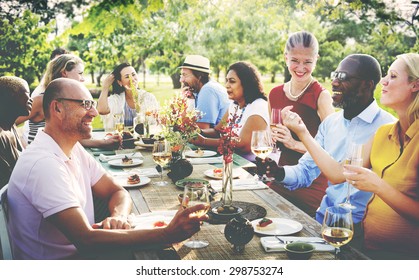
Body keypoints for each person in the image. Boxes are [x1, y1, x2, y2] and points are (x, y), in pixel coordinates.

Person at [7, 78, 208, 259]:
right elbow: (87, 240)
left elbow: (116, 191)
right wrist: (167, 234)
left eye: (92, 104)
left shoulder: (71, 147)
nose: (94, 112)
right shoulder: (43, 164)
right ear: (57, 109)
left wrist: (118, 217)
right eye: (85, 105)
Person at [256, 54, 397, 227]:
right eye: (335, 75)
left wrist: (302, 133)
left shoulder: (388, 127)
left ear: (367, 84)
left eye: (343, 77)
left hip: (362, 228)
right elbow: (306, 171)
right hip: (323, 220)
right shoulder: (330, 123)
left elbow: (341, 175)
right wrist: (278, 172)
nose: (335, 82)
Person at [299, 53, 417, 259]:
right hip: (368, 247)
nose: (383, 81)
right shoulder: (384, 133)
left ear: (415, 85)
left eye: (393, 76)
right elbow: (338, 174)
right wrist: (302, 132)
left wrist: (378, 185)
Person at [268, 31, 335, 216]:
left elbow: (333, 152)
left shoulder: (321, 97)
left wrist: (293, 143)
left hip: (311, 187)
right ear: (285, 57)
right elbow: (271, 142)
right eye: (295, 60)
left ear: (316, 59)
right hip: (279, 178)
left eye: (308, 62)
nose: (300, 67)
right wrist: (271, 138)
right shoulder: (274, 94)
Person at [15, 54, 121, 148]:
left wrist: (104, 143)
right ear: (65, 73)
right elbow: (7, 123)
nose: (83, 79)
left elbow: (74, 138)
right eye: (80, 73)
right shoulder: (42, 100)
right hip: (42, 159)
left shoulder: (69, 101)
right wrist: (21, 147)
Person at [191, 61, 269, 161]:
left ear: (246, 83)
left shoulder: (258, 106)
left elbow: (244, 145)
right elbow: (218, 131)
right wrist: (197, 132)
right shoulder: (235, 105)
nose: (227, 85)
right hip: (231, 159)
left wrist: (204, 141)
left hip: (253, 165)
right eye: (227, 80)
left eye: (232, 81)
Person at [97, 63, 159, 130]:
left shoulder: (148, 98)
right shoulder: (116, 100)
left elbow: (155, 123)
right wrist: (105, 87)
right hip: (121, 139)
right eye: (127, 77)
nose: (132, 79)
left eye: (133, 74)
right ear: (120, 82)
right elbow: (101, 110)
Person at [179, 55, 230, 129]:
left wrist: (182, 111)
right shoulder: (203, 89)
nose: (181, 80)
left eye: (185, 75)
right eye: (181, 75)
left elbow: (201, 131)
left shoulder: (208, 90)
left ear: (199, 77)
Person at [0, 76, 32, 189]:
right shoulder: (1, 137)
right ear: (10, 98)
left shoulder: (10, 126)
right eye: (27, 94)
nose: (30, 99)